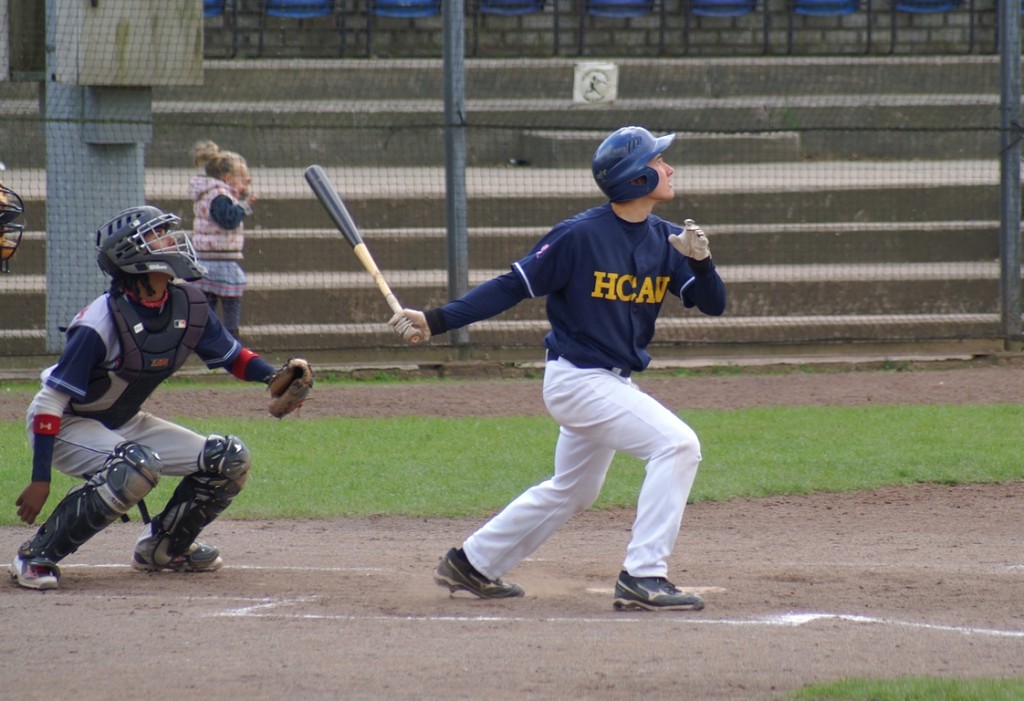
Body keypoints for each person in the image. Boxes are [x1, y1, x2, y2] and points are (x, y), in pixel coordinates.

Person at [388, 126, 727, 611]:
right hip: (577, 380)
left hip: (611, 383)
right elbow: (511, 286)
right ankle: (644, 575)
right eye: (658, 161)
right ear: (636, 179)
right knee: (678, 445)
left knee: (574, 489)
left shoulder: (666, 239)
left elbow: (712, 304)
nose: (669, 168)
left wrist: (703, 262)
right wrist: (437, 320)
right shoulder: (579, 235)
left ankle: (472, 563)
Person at [9, 205, 310, 591]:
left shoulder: (187, 304)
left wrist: (274, 377)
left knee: (229, 459)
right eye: (159, 235)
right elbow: (51, 403)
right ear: (133, 254)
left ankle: (164, 547)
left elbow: (234, 357)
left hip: (122, 421)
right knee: (136, 466)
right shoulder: (99, 321)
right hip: (66, 424)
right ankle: (36, 555)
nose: (172, 241)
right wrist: (40, 479)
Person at [188, 140, 255, 341]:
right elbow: (228, 220)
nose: (246, 183)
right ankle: (231, 337)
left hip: (205, 259)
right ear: (227, 178)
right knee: (232, 299)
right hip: (219, 259)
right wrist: (244, 206)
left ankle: (209, 337)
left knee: (208, 302)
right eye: (242, 179)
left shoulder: (209, 192)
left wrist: (240, 196)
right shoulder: (219, 196)